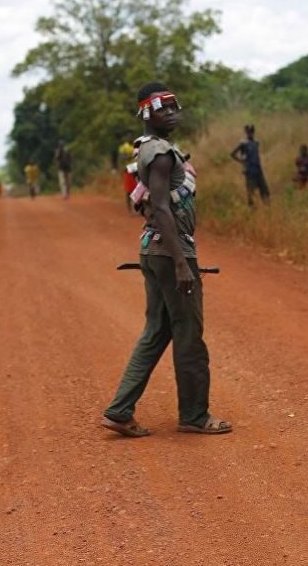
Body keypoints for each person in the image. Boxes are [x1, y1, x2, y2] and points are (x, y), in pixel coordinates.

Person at [102, 82, 231, 437]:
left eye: (175, 106)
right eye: (164, 108)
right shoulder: (159, 154)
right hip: (170, 252)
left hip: (153, 250)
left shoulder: (151, 149)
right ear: (147, 113)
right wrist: (180, 263)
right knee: (189, 334)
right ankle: (195, 415)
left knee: (157, 331)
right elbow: (159, 207)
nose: (173, 113)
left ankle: (120, 409)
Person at [231, 124, 270, 207]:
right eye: (249, 132)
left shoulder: (256, 142)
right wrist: (241, 161)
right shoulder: (243, 143)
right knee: (251, 192)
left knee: (264, 190)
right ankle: (251, 210)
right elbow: (232, 154)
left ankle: (267, 208)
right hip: (250, 171)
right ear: (246, 132)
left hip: (258, 169)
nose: (250, 134)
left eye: (252, 132)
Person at [118, 139, 136, 214]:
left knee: (138, 190)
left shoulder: (136, 146)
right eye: (129, 136)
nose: (130, 137)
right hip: (128, 169)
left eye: (132, 136)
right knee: (129, 190)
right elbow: (121, 158)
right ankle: (130, 210)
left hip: (136, 170)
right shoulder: (124, 147)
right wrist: (130, 156)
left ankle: (137, 209)